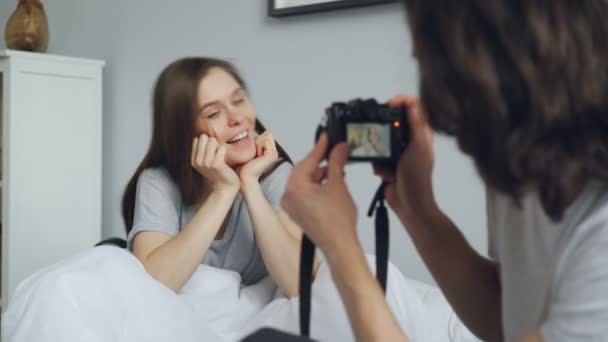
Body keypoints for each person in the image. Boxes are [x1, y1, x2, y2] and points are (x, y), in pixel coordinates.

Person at [281, 1, 608, 341]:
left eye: (436, 68)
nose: (434, 100)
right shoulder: (522, 163)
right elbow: (511, 316)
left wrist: (341, 247)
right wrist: (419, 210)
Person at [123, 57, 318, 296]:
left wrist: (250, 185)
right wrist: (223, 191)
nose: (237, 118)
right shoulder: (159, 181)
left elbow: (300, 284)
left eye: (239, 100)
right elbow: (153, 284)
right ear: (182, 131)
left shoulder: (276, 177)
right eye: (214, 113)